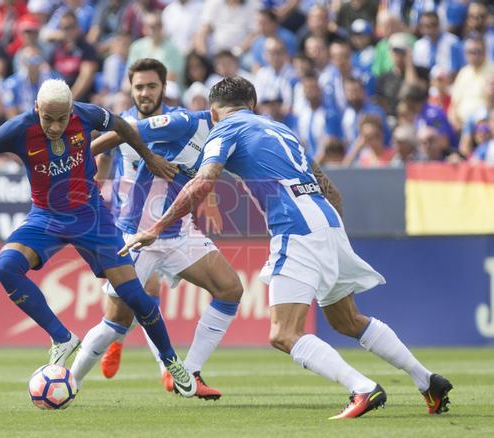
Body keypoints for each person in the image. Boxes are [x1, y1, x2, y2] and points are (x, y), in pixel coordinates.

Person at [122, 76, 454, 419]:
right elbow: (332, 191)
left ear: (214, 111)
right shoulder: (281, 129)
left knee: (283, 333)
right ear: (252, 103)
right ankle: (427, 380)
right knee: (348, 320)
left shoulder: (224, 130)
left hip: (294, 226)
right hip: (326, 219)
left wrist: (157, 227)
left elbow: (203, 181)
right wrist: (329, 237)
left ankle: (362, 388)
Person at [0, 78, 197, 397]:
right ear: (36, 109)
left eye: (62, 118)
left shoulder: (88, 115)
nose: (55, 126)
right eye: (48, 118)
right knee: (6, 267)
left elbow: (125, 126)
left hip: (92, 217)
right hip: (46, 217)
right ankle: (61, 337)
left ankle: (171, 362)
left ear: (71, 109)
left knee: (136, 297)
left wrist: (149, 157)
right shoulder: (17, 129)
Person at [70, 60, 242, 399]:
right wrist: (76, 167)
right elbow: (115, 144)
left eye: (151, 86)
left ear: (164, 86)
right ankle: (69, 382)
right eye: (139, 87)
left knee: (230, 289)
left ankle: (187, 373)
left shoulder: (206, 130)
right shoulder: (152, 124)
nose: (145, 92)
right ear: (131, 90)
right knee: (116, 322)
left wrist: (207, 198)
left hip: (179, 232)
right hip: (135, 236)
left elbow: (206, 170)